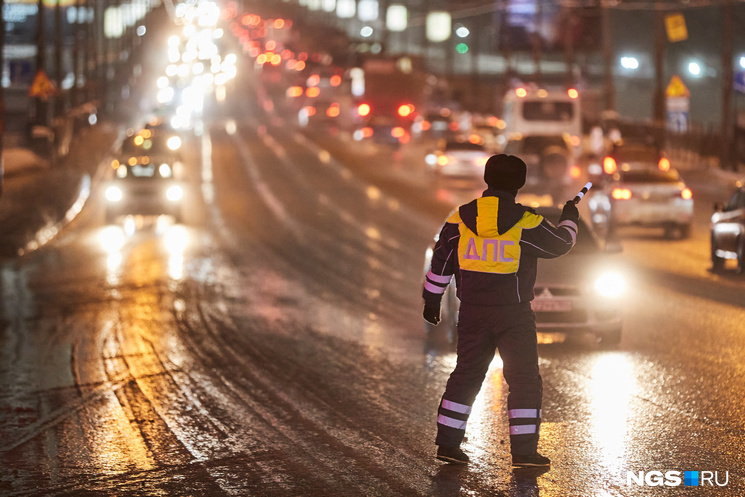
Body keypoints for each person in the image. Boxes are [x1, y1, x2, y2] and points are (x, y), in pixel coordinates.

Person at [422, 154, 579, 468]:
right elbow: (561, 244)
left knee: (465, 375)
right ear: (519, 184)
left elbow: (441, 262)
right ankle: (523, 453)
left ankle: (448, 444)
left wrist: (432, 300)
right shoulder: (527, 222)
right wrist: (569, 217)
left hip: (472, 313)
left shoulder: (459, 218)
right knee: (523, 381)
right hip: (514, 315)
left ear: (486, 178)